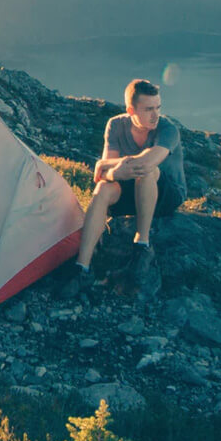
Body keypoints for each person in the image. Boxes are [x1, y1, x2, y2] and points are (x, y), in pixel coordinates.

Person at [57, 78, 186, 299]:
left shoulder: (168, 129)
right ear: (131, 110)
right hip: (131, 188)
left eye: (158, 107)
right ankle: (82, 267)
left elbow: (144, 163)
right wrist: (113, 171)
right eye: (148, 109)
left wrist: (111, 168)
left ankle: (142, 245)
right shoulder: (116, 125)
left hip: (167, 193)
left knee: (146, 172)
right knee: (104, 190)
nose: (155, 114)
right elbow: (103, 175)